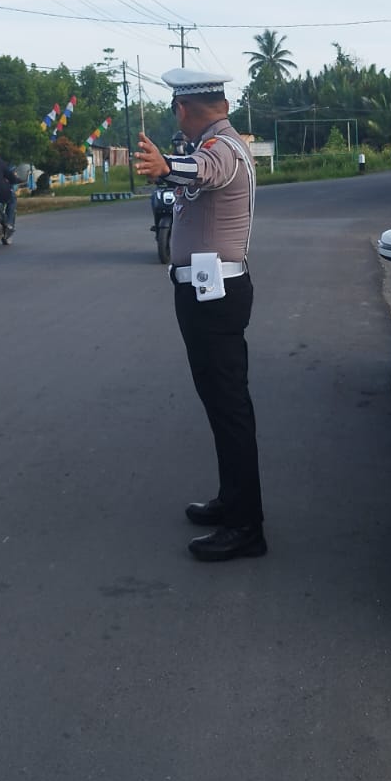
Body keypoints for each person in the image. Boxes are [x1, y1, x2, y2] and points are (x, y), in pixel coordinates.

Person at [133, 69, 264, 562]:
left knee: (230, 409)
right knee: (220, 406)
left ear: (183, 109)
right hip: (206, 294)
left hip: (217, 296)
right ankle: (233, 501)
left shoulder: (224, 148)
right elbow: (194, 173)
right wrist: (172, 166)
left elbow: (205, 172)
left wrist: (167, 165)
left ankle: (246, 526)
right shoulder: (213, 143)